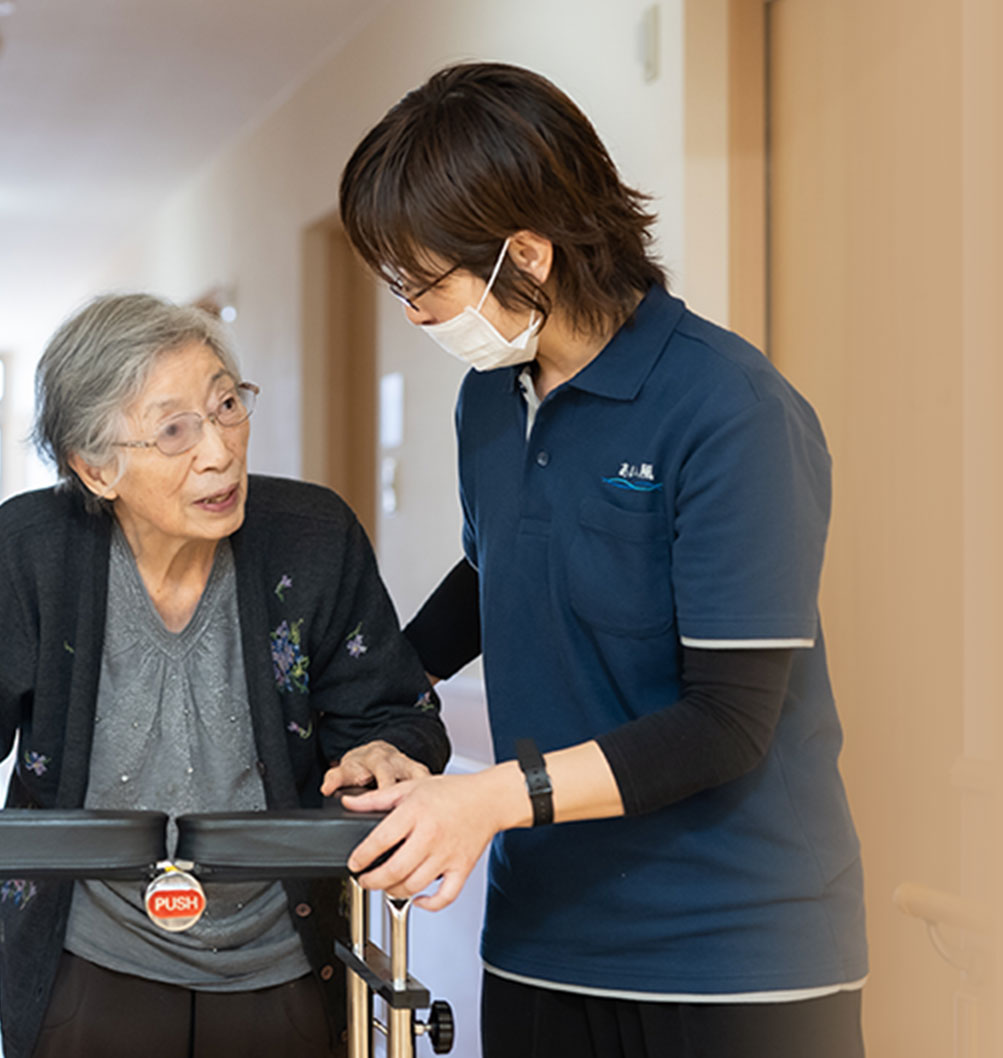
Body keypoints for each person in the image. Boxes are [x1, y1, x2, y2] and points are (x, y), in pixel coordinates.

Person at [337, 62, 868, 1058]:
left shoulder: (728, 411)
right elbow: (498, 569)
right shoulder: (490, 400)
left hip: (734, 955)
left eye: (424, 283)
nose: (412, 312)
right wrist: (378, 699)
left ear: (526, 254)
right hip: (543, 938)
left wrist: (488, 798)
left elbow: (726, 722)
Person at [0, 293, 450, 1058]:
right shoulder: (30, 551)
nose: (219, 451)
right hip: (91, 957)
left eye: (227, 405)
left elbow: (393, 710)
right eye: (175, 430)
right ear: (95, 467)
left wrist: (386, 750)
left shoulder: (313, 539)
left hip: (280, 957)